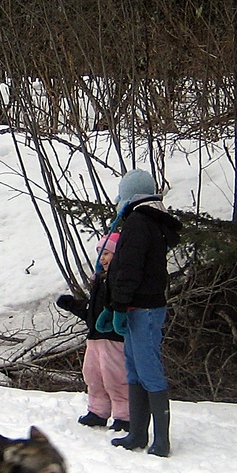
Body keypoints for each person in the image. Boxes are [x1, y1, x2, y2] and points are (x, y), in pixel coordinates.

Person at [97, 169, 183, 457]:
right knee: (134, 369)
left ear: (131, 195)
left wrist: (118, 306)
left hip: (143, 309)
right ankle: (137, 433)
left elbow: (129, 270)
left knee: (148, 370)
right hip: (138, 307)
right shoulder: (148, 221)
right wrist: (115, 305)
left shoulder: (138, 222)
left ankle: (161, 440)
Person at [57, 232, 130, 432]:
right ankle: (98, 411)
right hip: (95, 338)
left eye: (106, 253)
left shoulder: (120, 279)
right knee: (93, 376)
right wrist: (73, 305)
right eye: (99, 253)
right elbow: (93, 313)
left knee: (115, 377)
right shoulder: (99, 279)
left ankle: (125, 416)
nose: (102, 258)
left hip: (113, 337)